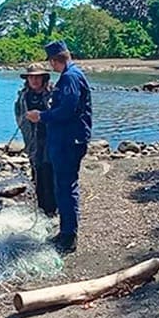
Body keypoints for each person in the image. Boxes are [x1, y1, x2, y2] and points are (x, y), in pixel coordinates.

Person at [25, 40, 91, 254]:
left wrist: (41, 116)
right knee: (62, 187)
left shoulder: (70, 77)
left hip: (68, 142)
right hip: (65, 140)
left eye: (50, 62)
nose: (51, 66)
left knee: (65, 188)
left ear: (55, 61)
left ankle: (68, 236)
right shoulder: (70, 76)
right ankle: (65, 231)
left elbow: (68, 110)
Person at [14, 63, 57, 217]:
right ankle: (41, 210)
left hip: (51, 140)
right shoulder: (23, 96)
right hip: (33, 141)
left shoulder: (53, 94)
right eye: (31, 77)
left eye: (38, 77)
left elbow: (59, 115)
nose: (34, 80)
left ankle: (52, 210)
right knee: (37, 174)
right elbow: (18, 114)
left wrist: (42, 118)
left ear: (44, 78)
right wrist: (25, 124)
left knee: (50, 174)